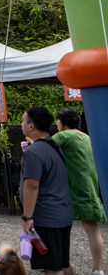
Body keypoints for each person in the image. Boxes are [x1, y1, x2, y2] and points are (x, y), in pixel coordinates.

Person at [20, 106, 73, 275]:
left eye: (23, 120)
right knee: (63, 264)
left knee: (52, 268)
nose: (21, 124)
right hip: (63, 214)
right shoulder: (55, 147)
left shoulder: (33, 152)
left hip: (46, 218)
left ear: (31, 126)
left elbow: (31, 186)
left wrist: (27, 217)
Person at [53, 108, 106, 275]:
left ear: (62, 123)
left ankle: (60, 266)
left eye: (57, 121)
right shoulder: (88, 138)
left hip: (71, 189)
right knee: (92, 228)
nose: (56, 124)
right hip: (90, 187)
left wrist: (30, 144)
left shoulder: (63, 136)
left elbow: (44, 148)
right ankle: (98, 269)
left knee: (58, 228)